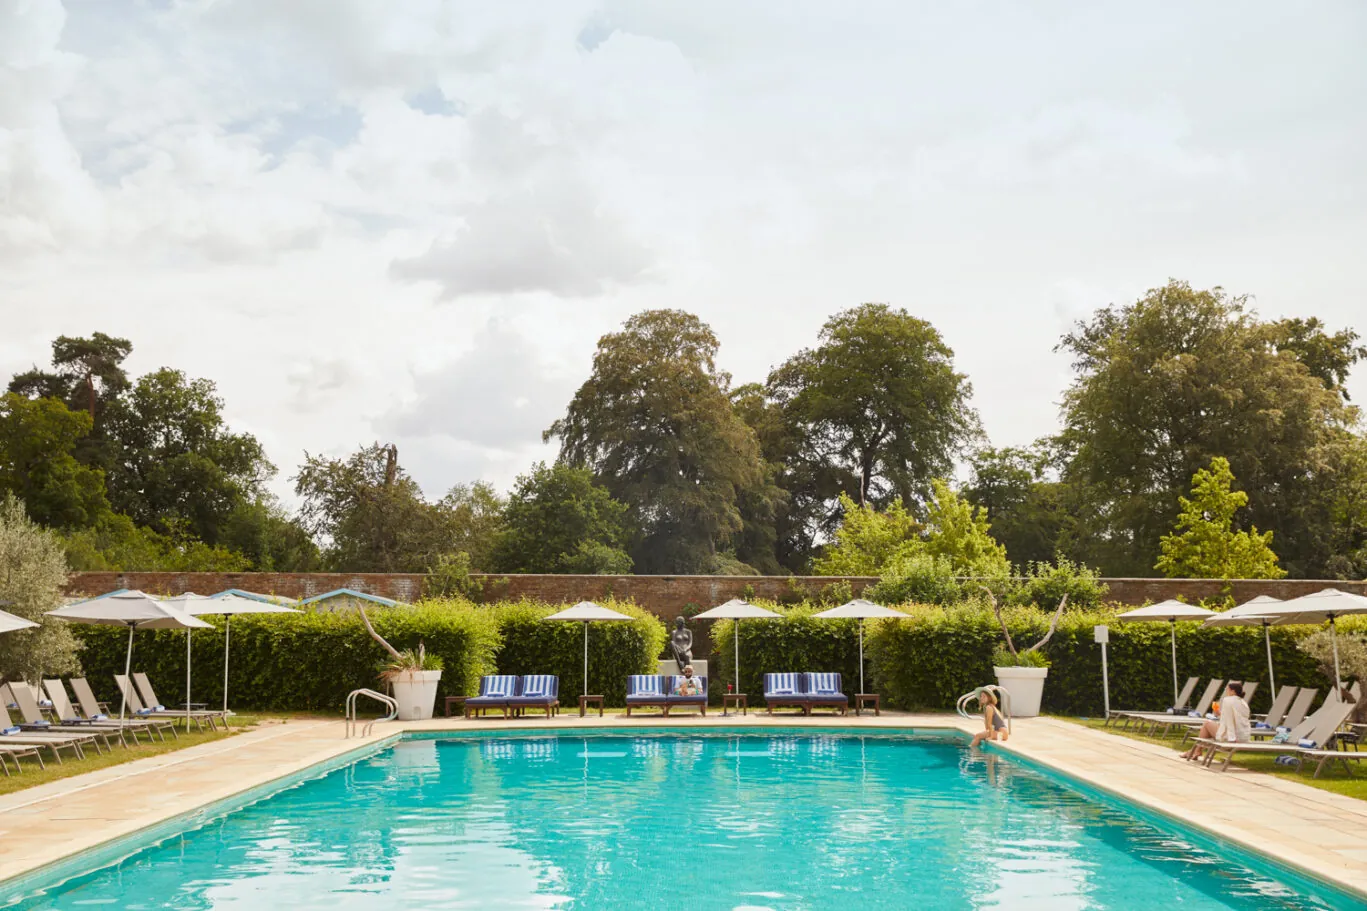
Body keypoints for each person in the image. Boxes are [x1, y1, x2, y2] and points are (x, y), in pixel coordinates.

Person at [1182, 682, 1250, 761]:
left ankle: (1196, 751)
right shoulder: (1244, 703)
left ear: (1233, 691)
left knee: (1207, 723)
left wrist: (1217, 712)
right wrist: (1219, 714)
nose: (1226, 691)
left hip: (1233, 738)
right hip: (1243, 737)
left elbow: (1227, 721)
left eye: (1227, 689)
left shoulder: (1228, 700)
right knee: (1207, 727)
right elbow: (1233, 719)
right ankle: (1196, 751)